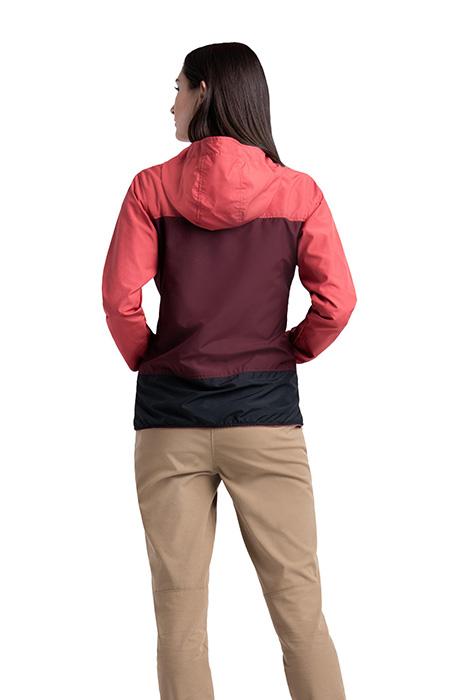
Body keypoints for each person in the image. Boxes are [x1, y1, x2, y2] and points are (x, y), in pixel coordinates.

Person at [102, 41, 357, 700]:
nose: (172, 103)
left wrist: (151, 361)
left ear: (205, 91)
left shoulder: (151, 187)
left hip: (169, 421)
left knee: (179, 622)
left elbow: (120, 298)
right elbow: (337, 303)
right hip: (265, 417)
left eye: (178, 88)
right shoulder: (297, 192)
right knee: (300, 614)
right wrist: (289, 350)